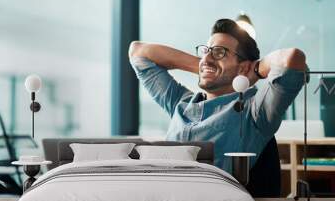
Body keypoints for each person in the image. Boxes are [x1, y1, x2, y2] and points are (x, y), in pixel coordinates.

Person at [128, 18, 307, 173]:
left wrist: (254, 70)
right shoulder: (180, 102)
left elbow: (292, 58)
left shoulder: (254, 111)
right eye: (206, 50)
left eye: (219, 52)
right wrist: (205, 66)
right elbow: (138, 52)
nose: (207, 57)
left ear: (243, 66)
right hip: (165, 200)